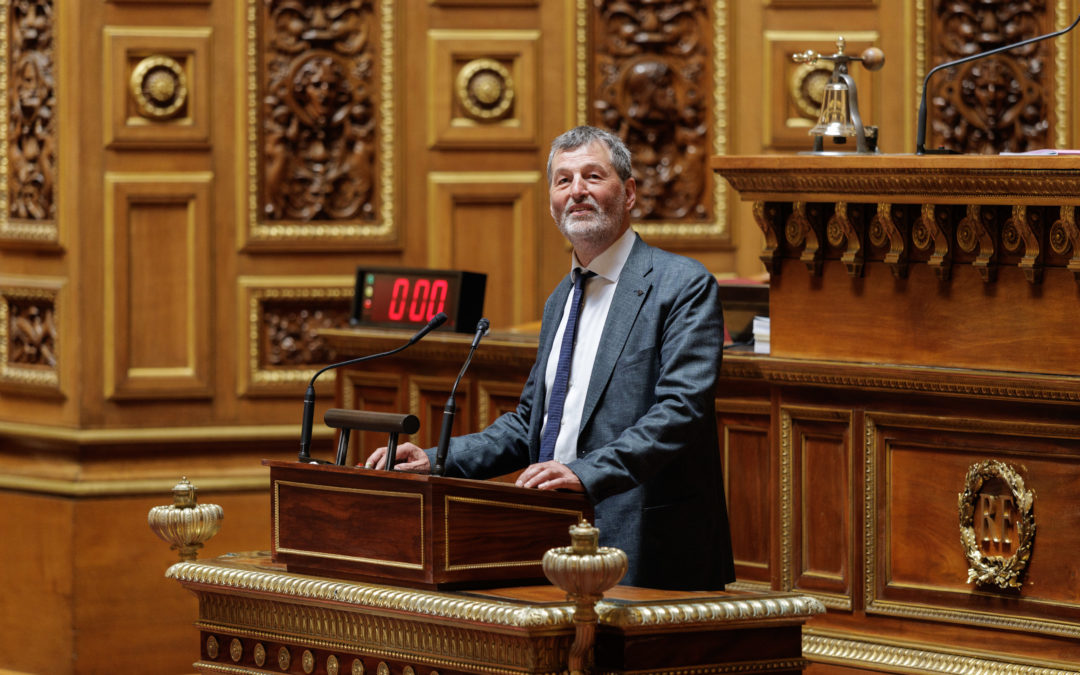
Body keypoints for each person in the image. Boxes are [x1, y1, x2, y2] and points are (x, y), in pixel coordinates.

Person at [366, 125, 734, 590]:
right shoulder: (562, 297)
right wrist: (436, 459)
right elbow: (531, 425)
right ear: (552, 205)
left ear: (629, 193)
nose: (577, 190)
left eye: (593, 176)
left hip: (648, 540)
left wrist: (583, 474)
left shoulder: (682, 284)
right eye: (563, 181)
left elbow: (682, 412)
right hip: (554, 531)